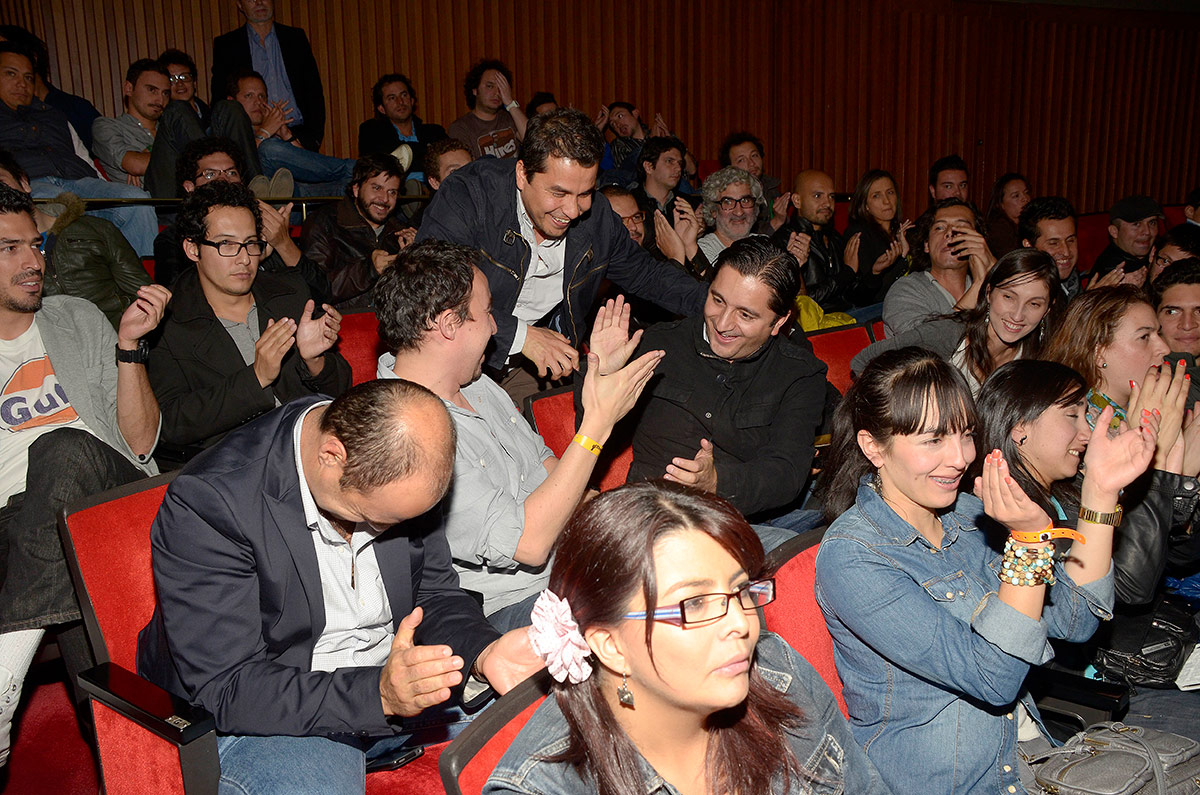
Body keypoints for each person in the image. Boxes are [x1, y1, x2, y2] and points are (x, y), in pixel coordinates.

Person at [137, 379, 544, 791]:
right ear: (331, 456)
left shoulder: (399, 460)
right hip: (282, 709)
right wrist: (378, 696)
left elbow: (434, 594)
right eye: (380, 519)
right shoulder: (211, 503)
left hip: (394, 682)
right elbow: (228, 687)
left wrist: (483, 653)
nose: (392, 530)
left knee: (562, 685)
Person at [814, 347, 1144, 794]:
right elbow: (993, 679)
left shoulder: (970, 516)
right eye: (934, 440)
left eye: (966, 435)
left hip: (1025, 760)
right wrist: (1028, 547)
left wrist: (1100, 493)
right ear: (874, 447)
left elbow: (1077, 620)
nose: (960, 457)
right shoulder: (854, 556)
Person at [484, 480, 891, 795]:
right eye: (694, 604)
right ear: (611, 646)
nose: (742, 623)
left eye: (741, 590)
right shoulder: (543, 787)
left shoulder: (775, 668)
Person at [374, 240, 662, 631]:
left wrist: (639, 519)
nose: (495, 327)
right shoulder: (405, 432)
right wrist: (597, 425)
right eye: (487, 312)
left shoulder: (476, 384)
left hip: (567, 569)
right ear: (448, 325)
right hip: (509, 607)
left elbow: (552, 475)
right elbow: (529, 543)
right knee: (652, 615)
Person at [0, 185, 169, 767]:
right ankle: (128, 767)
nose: (33, 261)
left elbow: (141, 445)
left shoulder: (75, 317)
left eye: (35, 244)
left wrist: (129, 348)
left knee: (61, 448)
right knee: (70, 568)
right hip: (19, 527)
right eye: (10, 248)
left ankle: (4, 669)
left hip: (103, 495)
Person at [416, 108, 706, 406]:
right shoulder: (469, 194)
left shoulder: (598, 218)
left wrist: (718, 305)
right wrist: (521, 336)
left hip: (529, 368)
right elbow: (429, 286)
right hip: (448, 352)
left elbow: (649, 275)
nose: (572, 211)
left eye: (585, 193)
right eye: (558, 193)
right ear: (522, 174)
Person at [977, 360, 1200, 739]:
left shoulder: (1069, 488)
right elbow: (1129, 590)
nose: (1087, 431)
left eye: (1086, 414)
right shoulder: (1004, 512)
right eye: (1072, 415)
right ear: (1020, 428)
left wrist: (1176, 488)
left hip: (1147, 653)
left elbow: (1179, 558)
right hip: (1092, 686)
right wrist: (1157, 475)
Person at [620, 237, 828, 525]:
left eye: (745, 314)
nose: (722, 323)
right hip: (650, 516)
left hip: (743, 522)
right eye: (717, 300)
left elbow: (787, 471)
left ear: (779, 322)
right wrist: (602, 374)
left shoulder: (799, 374)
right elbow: (594, 431)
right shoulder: (658, 343)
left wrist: (718, 482)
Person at [147, 180, 350, 452]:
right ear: (193, 249)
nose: (244, 259)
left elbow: (342, 391)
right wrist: (256, 378)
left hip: (312, 446)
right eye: (227, 244)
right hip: (232, 461)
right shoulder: (166, 320)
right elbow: (170, 424)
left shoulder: (289, 292)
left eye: (251, 243)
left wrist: (315, 362)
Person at [0, 43, 158, 256]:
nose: (22, 83)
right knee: (57, 207)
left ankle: (142, 275)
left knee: (136, 200)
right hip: (31, 187)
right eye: (11, 74)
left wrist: (102, 184)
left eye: (28, 77)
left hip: (79, 181)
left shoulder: (54, 115)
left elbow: (82, 155)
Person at [853, 248, 1062, 395]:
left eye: (1034, 304)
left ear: (1047, 309)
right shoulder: (948, 335)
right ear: (988, 293)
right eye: (1009, 297)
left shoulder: (1043, 355)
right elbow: (864, 362)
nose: (1017, 315)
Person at [151, 136, 329, 302]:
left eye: (231, 173)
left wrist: (283, 243)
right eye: (210, 174)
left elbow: (321, 294)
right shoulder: (174, 239)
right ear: (190, 188)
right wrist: (253, 259)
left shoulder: (262, 231)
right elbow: (177, 302)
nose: (223, 179)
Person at [0, 148, 150, 329]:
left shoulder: (94, 229)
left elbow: (143, 293)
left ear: (24, 182)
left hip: (118, 334)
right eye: (10, 248)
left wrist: (130, 335)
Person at [1042, 285, 1171, 432]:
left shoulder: (1149, 409)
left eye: (1158, 334)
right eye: (1144, 337)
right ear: (1099, 354)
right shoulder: (1076, 429)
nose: (1164, 349)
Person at [300, 152, 413, 309]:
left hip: (391, 321)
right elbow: (314, 288)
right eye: (377, 188)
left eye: (392, 192)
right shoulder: (325, 222)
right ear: (356, 189)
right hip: (341, 320)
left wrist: (415, 259)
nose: (385, 199)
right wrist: (369, 269)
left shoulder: (400, 233)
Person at [211, 0, 326, 151]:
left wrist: (313, 138)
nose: (259, 2)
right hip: (253, 136)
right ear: (240, 5)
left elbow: (314, 92)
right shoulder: (227, 45)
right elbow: (220, 100)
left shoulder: (295, 38)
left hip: (297, 133)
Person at [882, 198, 995, 335]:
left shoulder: (994, 287)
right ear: (927, 245)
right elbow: (926, 341)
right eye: (940, 228)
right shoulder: (905, 290)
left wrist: (996, 271)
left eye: (962, 227)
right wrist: (979, 286)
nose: (950, 233)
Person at [771, 169, 855, 313]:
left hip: (847, 314)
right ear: (797, 201)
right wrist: (847, 273)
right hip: (816, 321)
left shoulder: (835, 238)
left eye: (831, 196)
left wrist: (874, 274)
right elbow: (801, 302)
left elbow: (853, 293)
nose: (827, 203)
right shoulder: (785, 240)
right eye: (818, 196)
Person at [91, 59, 172, 186]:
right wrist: (138, 162)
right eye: (152, 90)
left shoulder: (172, 130)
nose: (160, 100)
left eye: (165, 93)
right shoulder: (106, 126)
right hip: (141, 198)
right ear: (129, 88)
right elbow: (135, 165)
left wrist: (147, 158)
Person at [357, 72, 447, 184]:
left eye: (404, 95)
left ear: (412, 101)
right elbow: (374, 167)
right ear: (381, 108)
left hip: (435, 188)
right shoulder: (371, 131)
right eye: (392, 98)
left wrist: (403, 154)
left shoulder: (435, 132)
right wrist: (424, 152)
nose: (400, 102)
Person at [842, 168, 912, 305]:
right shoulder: (859, 234)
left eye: (890, 193)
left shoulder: (902, 231)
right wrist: (902, 256)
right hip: (872, 309)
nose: (886, 201)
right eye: (876, 196)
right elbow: (865, 296)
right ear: (866, 205)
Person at [447, 59, 526, 160]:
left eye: (501, 88)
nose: (497, 93)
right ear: (475, 90)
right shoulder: (461, 127)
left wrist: (510, 103)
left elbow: (534, 141)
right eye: (489, 86)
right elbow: (465, 166)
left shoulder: (510, 117)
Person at [695, 166, 765, 276]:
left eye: (745, 200)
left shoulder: (764, 244)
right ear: (713, 210)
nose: (739, 212)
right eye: (728, 202)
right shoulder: (702, 252)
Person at [718, 131, 788, 233]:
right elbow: (741, 236)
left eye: (754, 155)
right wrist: (777, 221)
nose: (751, 163)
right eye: (741, 160)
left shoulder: (771, 188)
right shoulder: (725, 197)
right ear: (729, 168)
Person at [1019, 196, 1080, 299]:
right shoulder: (1022, 293)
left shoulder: (1073, 281)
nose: (1066, 252)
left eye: (1070, 240)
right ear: (1029, 246)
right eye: (1054, 243)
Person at [1092, 195, 1162, 279]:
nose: (1147, 232)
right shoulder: (1110, 274)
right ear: (1114, 232)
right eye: (1136, 224)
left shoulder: (1161, 254)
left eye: (1152, 223)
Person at [158, 48, 208, 128]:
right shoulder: (163, 121)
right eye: (172, 79)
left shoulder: (211, 115)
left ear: (194, 82)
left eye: (184, 77)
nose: (180, 84)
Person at [984, 172, 1031, 257]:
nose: (1025, 198)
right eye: (1016, 196)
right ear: (1001, 204)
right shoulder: (999, 231)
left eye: (1026, 192)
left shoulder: (1028, 224)